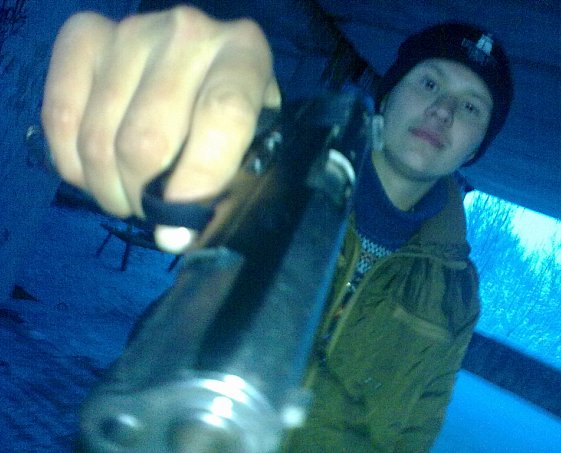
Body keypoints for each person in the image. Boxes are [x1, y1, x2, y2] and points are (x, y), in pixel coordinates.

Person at [42, 6, 513, 452]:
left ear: (476, 148)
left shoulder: (458, 290)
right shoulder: (277, 170)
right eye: (429, 83)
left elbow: (416, 428)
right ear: (388, 97)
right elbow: (182, 160)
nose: (443, 110)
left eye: (471, 108)